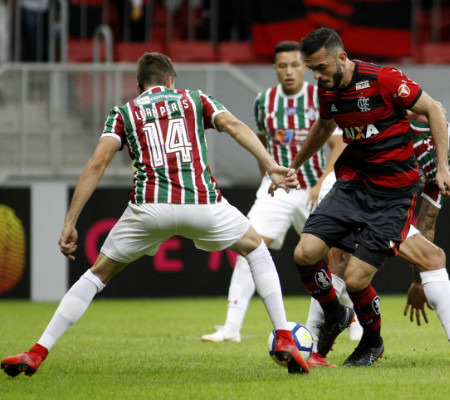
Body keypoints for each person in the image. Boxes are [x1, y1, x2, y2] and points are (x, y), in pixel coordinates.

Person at [1, 52, 310, 377]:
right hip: (203, 203)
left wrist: (70, 222)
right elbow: (233, 125)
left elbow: (97, 163)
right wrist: (273, 166)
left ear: (138, 86)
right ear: (171, 80)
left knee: (97, 274)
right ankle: (286, 339)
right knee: (255, 248)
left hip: (149, 207)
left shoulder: (124, 112)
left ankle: (37, 351)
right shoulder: (195, 99)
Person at [288, 27, 450, 367]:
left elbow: (435, 110)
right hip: (351, 184)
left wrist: (442, 168)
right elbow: (323, 126)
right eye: (312, 70)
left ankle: (372, 342)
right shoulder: (327, 88)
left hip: (393, 194)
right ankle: (335, 313)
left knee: (355, 279)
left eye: (321, 68)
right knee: (304, 254)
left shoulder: (384, 80)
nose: (317, 76)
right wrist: (294, 164)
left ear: (342, 58)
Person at [305, 100, 450, 368]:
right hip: (349, 186)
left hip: (381, 207)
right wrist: (409, 108)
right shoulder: (423, 124)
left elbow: (426, 222)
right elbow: (388, 108)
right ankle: (311, 345)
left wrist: (418, 280)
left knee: (432, 258)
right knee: (340, 266)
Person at [199, 40, 359, 343]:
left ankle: (354, 318)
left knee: (334, 255)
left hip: (315, 188)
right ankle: (231, 327)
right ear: (275, 68)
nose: (289, 71)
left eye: (295, 65)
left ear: (305, 67)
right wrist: (269, 178)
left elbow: (338, 143)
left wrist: (321, 182)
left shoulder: (319, 96)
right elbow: (260, 141)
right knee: (250, 247)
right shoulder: (264, 101)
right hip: (279, 190)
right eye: (282, 65)